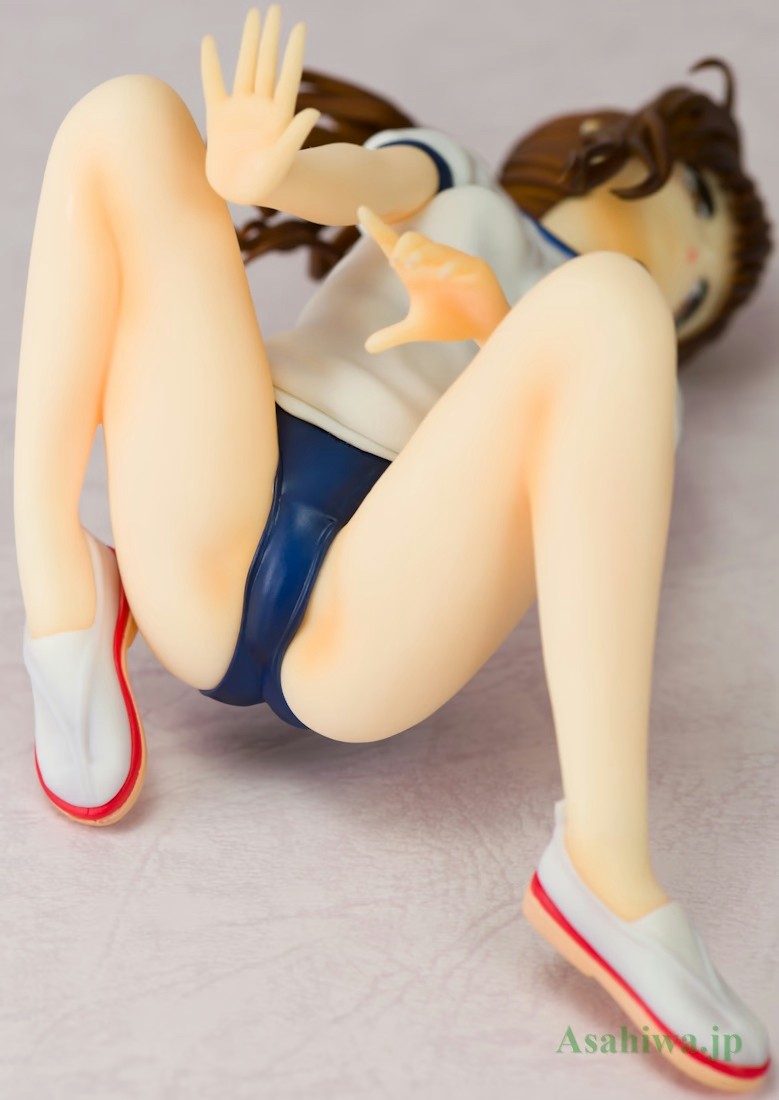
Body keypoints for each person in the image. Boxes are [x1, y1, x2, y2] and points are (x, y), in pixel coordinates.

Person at [14, 6, 772, 1090]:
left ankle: (604, 866)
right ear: (599, 142)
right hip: (215, 497)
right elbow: (362, 186)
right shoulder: (460, 182)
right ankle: (62, 586)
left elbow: (577, 484)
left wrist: (493, 323)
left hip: (369, 618)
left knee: (609, 306)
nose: (688, 258)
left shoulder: (618, 345)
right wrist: (268, 172)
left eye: (701, 291)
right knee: (125, 115)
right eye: (696, 202)